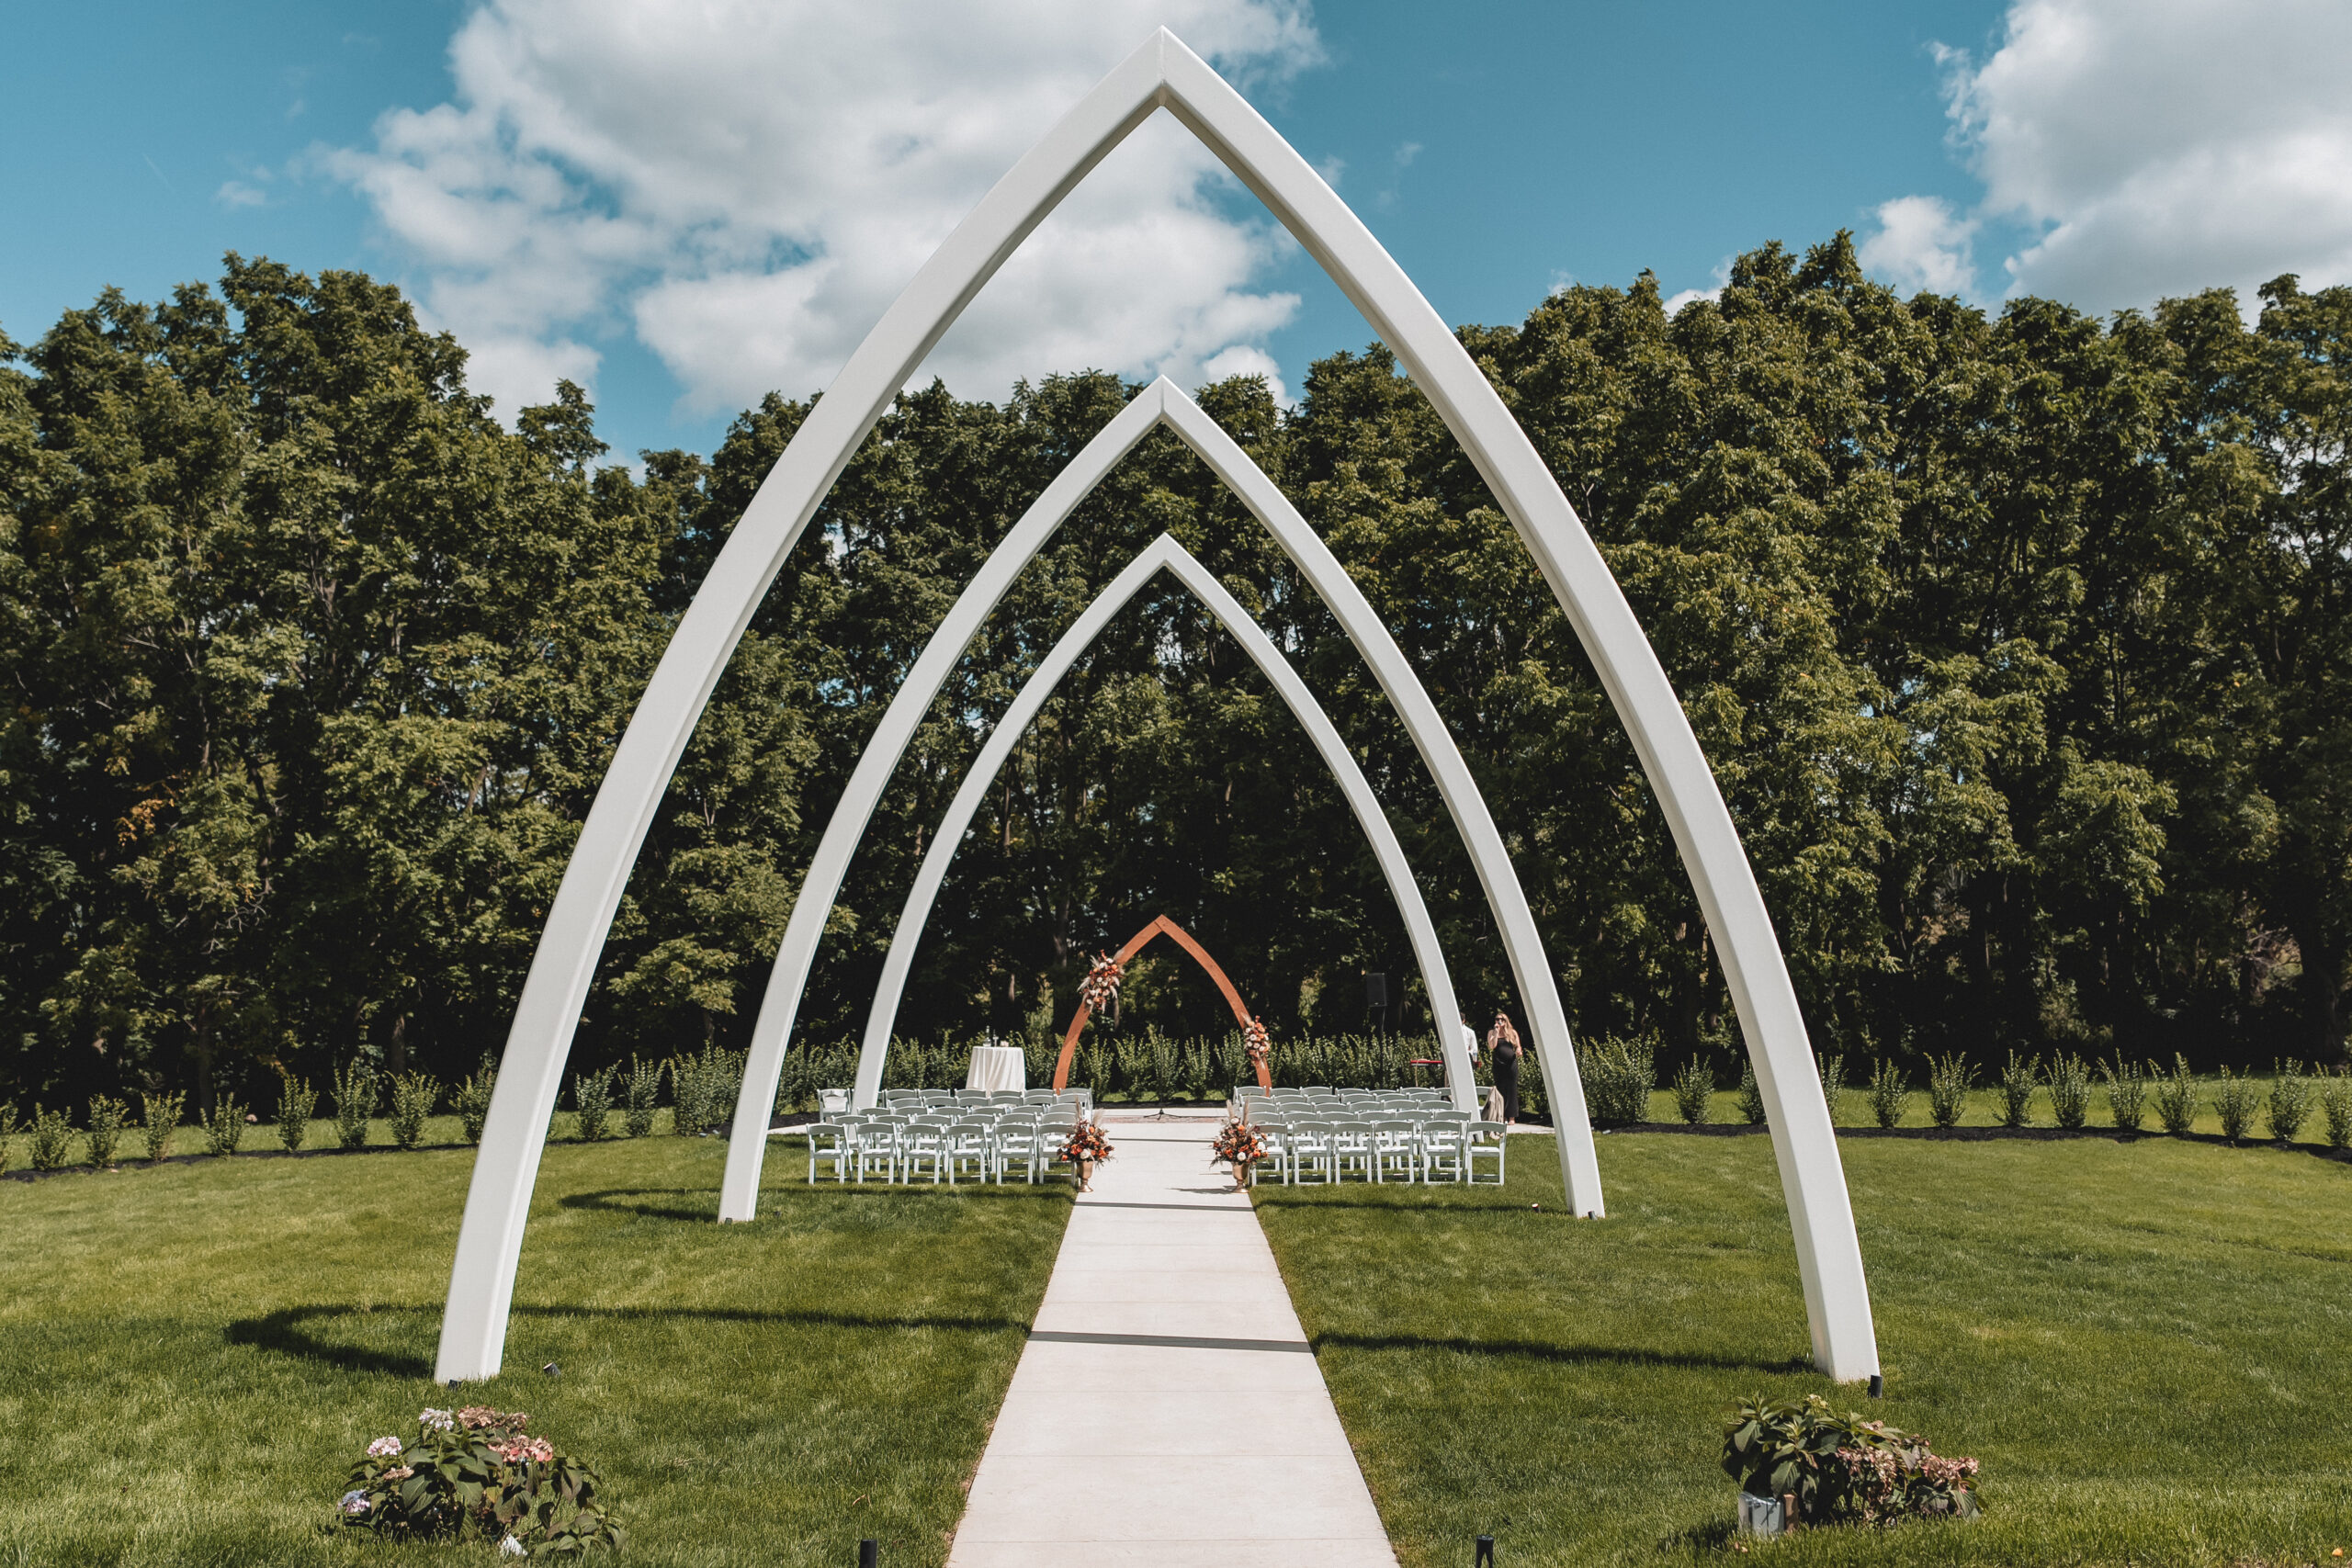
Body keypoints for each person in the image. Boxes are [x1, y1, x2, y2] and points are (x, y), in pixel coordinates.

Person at [1486, 1011, 1523, 1123]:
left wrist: (1518, 1050)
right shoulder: (1492, 1032)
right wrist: (1496, 1032)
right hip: (1498, 1063)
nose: (1499, 1021)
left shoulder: (1512, 1033)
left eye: (1501, 1019)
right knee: (1500, 1088)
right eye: (1497, 1019)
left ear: (1506, 1021)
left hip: (1511, 1064)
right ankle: (1501, 1116)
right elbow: (1492, 1046)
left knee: (1511, 1088)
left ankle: (1511, 1116)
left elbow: (1518, 1046)